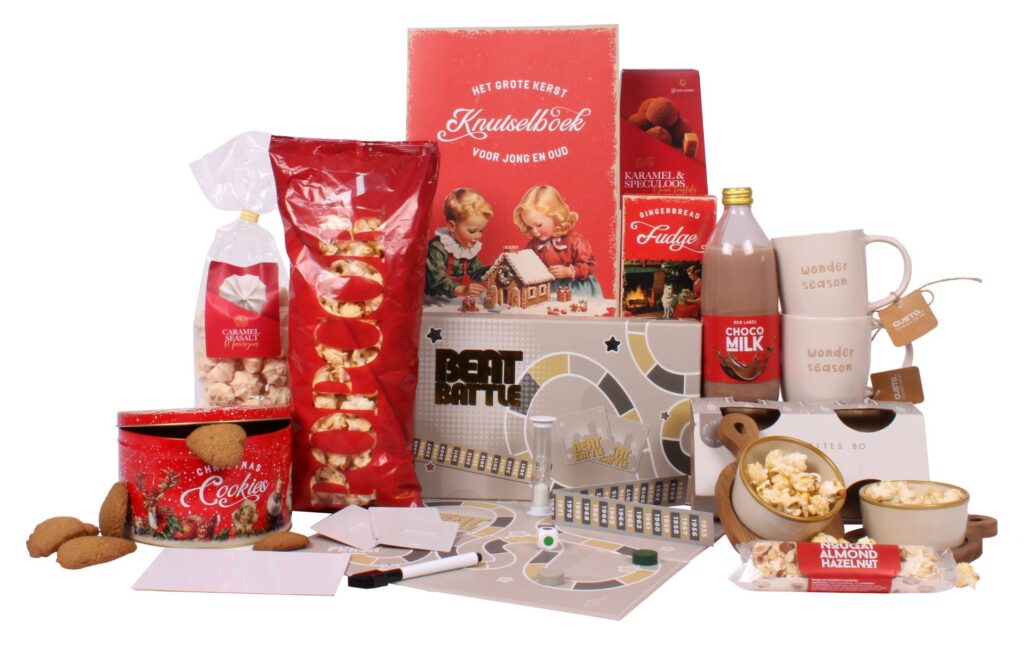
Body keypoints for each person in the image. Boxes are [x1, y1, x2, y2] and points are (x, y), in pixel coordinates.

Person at [512, 185, 602, 298]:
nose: (534, 231)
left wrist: (569, 271)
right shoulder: (534, 244)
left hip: (576, 288)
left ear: (555, 217)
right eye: (530, 227)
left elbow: (589, 265)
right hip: (548, 288)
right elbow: (526, 263)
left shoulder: (574, 240)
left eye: (538, 225)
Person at [425, 188, 492, 298]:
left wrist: (493, 270)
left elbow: (476, 272)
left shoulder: (467, 249)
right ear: (452, 226)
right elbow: (437, 280)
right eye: (472, 231)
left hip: (450, 298)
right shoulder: (437, 248)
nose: (478, 236)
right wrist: (462, 290)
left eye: (481, 231)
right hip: (432, 299)